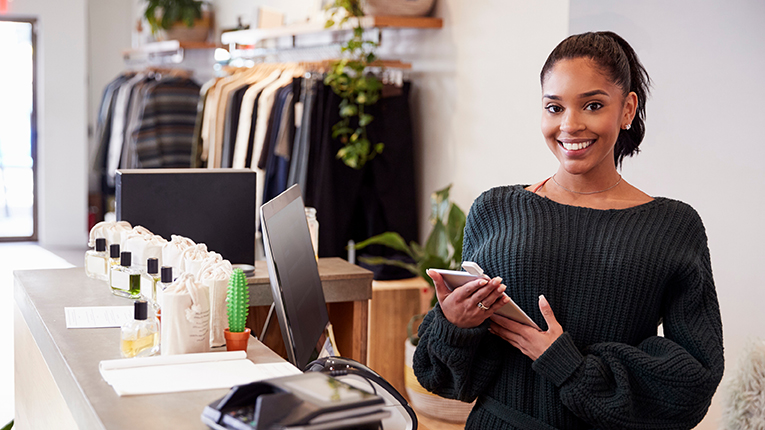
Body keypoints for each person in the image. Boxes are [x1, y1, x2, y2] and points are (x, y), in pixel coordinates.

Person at [413, 31, 724, 430]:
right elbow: (449, 380)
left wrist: (570, 366)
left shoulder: (673, 227)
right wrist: (455, 325)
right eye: (554, 107)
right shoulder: (495, 209)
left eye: (592, 105)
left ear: (626, 109)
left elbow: (694, 382)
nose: (570, 125)